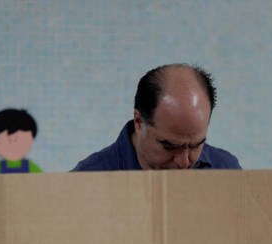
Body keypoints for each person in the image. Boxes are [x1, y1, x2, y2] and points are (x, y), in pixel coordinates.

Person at [72, 64, 241, 171]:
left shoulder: (226, 170)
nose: (183, 162)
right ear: (139, 122)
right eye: (169, 146)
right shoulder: (88, 180)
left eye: (196, 145)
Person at [0, 108, 43, 174]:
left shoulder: (29, 166)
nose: (13, 145)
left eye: (19, 141)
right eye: (9, 141)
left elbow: (42, 179)